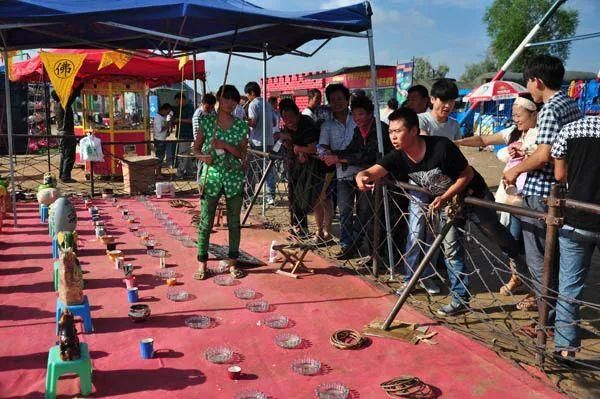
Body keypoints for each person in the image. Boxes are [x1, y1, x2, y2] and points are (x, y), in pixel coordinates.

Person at [356, 108, 522, 316]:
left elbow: (467, 174)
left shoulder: (441, 147)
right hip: (449, 206)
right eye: (390, 132)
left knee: (496, 235)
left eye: (398, 131)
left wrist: (444, 196)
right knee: (451, 248)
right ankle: (460, 299)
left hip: (474, 196)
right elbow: (372, 171)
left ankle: (520, 266)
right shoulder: (398, 156)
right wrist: (360, 177)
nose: (393, 136)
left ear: (414, 130)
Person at [502, 55, 583, 328]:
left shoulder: (549, 109)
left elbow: (545, 155)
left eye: (528, 82)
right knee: (555, 258)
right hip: (564, 191)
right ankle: (557, 319)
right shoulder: (571, 104)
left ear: (536, 80)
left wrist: (515, 169)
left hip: (541, 193)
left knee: (539, 260)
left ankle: (545, 322)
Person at [456, 93, 540, 298]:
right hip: (508, 197)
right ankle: (519, 277)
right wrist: (458, 142)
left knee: (529, 245)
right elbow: (484, 139)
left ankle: (536, 288)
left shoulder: (540, 135)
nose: (516, 119)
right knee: (509, 242)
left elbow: (543, 157)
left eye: (519, 115)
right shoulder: (513, 132)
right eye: (514, 114)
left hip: (528, 197)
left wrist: (525, 153)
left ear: (534, 114)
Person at [398, 79, 460, 295]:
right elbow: (426, 154)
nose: (447, 105)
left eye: (451, 101)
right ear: (432, 99)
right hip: (420, 186)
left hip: (443, 188)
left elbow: (457, 156)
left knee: (434, 235)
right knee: (415, 232)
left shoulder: (453, 125)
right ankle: (409, 278)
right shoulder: (421, 121)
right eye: (442, 100)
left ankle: (427, 276)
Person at [551, 116, 600, 361]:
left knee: (569, 286)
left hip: (576, 217)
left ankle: (565, 348)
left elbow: (560, 175)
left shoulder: (570, 130)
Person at [192, 85, 248, 281]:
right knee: (206, 221)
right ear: (218, 99)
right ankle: (202, 263)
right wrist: (202, 157)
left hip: (233, 178)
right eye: (226, 99)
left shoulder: (241, 125)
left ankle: (232, 263)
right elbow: (195, 149)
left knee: (234, 222)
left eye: (234, 100)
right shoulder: (207, 122)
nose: (230, 103)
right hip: (211, 176)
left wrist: (224, 145)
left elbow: (243, 155)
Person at [333, 95, 392, 257]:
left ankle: (377, 256)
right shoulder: (358, 131)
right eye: (354, 114)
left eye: (360, 114)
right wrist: (332, 154)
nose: (357, 118)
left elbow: (367, 155)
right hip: (367, 178)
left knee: (374, 217)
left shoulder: (380, 130)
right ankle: (358, 249)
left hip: (384, 178)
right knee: (362, 213)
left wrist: (339, 158)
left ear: (370, 113)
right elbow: (352, 149)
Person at [278, 98, 332, 240]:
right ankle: (300, 227)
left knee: (319, 199)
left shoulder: (307, 124)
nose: (287, 120)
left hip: (317, 168)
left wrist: (300, 149)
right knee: (295, 195)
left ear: (297, 114)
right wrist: (288, 142)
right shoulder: (288, 127)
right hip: (296, 166)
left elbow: (314, 147)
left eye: (290, 116)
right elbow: (287, 140)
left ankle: (324, 232)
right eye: (284, 117)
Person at [318, 83, 358, 259]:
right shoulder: (327, 125)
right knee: (345, 212)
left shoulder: (358, 118)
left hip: (365, 171)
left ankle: (366, 246)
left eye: (340, 99)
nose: (337, 103)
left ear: (347, 99)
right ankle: (346, 246)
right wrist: (324, 154)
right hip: (342, 174)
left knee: (366, 212)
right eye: (333, 100)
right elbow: (321, 146)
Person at [244, 81, 278, 205]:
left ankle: (249, 195)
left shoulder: (253, 104)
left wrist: (243, 121)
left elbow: (252, 123)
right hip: (269, 141)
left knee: (252, 170)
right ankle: (271, 196)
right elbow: (274, 123)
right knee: (269, 169)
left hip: (257, 142)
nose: (247, 97)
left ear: (252, 93)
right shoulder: (268, 104)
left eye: (247, 94)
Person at [52, 85, 82, 183]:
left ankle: (62, 175)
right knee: (69, 156)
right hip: (67, 133)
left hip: (61, 133)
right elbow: (72, 98)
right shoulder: (63, 104)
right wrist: (78, 88)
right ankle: (65, 176)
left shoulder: (56, 105)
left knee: (64, 156)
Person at [173, 93, 196, 179]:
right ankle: (190, 172)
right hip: (181, 133)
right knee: (186, 154)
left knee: (182, 154)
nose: (177, 103)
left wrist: (180, 120)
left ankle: (180, 173)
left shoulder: (190, 107)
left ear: (182, 99)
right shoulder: (180, 108)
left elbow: (191, 120)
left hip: (187, 134)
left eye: (178, 101)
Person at [153, 103, 173, 177]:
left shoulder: (163, 117)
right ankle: (157, 173)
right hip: (159, 140)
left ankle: (159, 172)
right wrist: (168, 124)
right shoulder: (158, 118)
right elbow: (159, 129)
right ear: (163, 110)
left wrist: (167, 130)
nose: (167, 114)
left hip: (162, 139)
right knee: (159, 157)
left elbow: (164, 130)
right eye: (167, 112)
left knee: (161, 157)